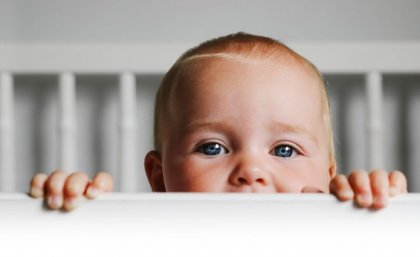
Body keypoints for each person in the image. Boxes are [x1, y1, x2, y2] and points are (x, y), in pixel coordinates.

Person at [29, 32, 407, 211]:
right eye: (213, 147)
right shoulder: (143, 240)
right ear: (159, 178)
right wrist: (70, 213)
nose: (251, 172)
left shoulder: (338, 237)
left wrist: (376, 212)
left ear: (328, 177)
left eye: (285, 149)